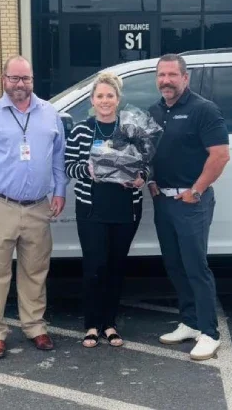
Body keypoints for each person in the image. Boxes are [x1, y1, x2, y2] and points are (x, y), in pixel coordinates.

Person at [0, 55, 67, 359]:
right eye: (15, 78)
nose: (20, 84)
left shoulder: (49, 113)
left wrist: (60, 191)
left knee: (35, 270)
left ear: (33, 80)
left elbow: (59, 156)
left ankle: (34, 326)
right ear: (3, 79)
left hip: (38, 206)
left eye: (26, 79)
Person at [148, 54, 230, 361]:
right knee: (175, 264)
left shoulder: (203, 110)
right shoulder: (155, 111)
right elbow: (149, 151)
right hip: (164, 201)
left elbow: (220, 155)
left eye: (172, 75)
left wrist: (196, 191)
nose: (165, 80)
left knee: (196, 267)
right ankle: (190, 322)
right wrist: (151, 180)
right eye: (161, 75)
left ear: (185, 78)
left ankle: (209, 333)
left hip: (191, 203)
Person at [64, 72, 147, 349]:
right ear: (92, 100)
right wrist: (86, 170)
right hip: (92, 210)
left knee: (115, 267)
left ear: (118, 99)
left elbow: (147, 162)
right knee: (94, 267)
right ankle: (91, 324)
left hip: (125, 210)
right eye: (99, 96)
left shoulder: (131, 129)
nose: (105, 100)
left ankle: (110, 323)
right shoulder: (81, 130)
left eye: (109, 96)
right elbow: (68, 165)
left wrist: (141, 177)